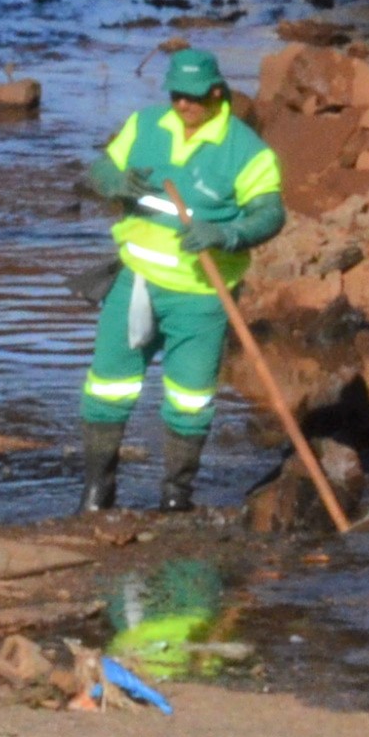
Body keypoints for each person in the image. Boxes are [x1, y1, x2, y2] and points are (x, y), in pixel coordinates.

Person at [77, 48, 285, 514]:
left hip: (201, 297)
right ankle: (97, 491)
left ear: (217, 93)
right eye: (176, 96)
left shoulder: (245, 150)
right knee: (107, 387)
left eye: (192, 98)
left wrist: (229, 234)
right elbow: (99, 168)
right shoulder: (146, 124)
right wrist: (114, 183)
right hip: (135, 282)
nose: (183, 106)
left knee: (190, 399)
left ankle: (175, 497)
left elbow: (271, 213)